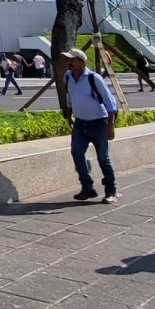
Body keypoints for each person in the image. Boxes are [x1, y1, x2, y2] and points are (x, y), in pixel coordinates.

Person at [61, 48, 118, 204]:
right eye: (68, 60)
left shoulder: (94, 78)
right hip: (80, 123)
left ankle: (111, 191)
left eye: (72, 60)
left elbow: (110, 103)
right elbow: (69, 96)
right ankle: (87, 187)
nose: (68, 63)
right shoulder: (68, 77)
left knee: (102, 157)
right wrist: (69, 113)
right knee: (76, 152)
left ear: (81, 61)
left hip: (99, 122)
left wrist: (110, 125)